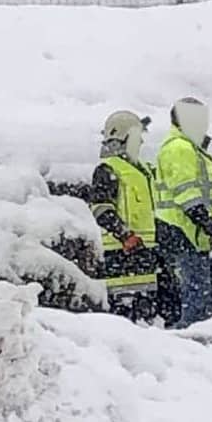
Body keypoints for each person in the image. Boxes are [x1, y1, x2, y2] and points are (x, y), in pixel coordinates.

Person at [153, 96, 212, 329]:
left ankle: (199, 345)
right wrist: (211, 227)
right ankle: (189, 345)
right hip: (187, 234)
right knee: (198, 301)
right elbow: (188, 196)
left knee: (207, 298)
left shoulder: (190, 148)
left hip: (194, 235)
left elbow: (205, 196)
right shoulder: (180, 149)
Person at [89, 110, 160, 323]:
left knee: (146, 315)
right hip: (122, 255)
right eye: (138, 137)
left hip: (145, 253)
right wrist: (124, 235)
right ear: (123, 137)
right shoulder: (108, 170)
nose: (141, 143)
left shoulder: (143, 171)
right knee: (125, 316)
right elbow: (101, 209)